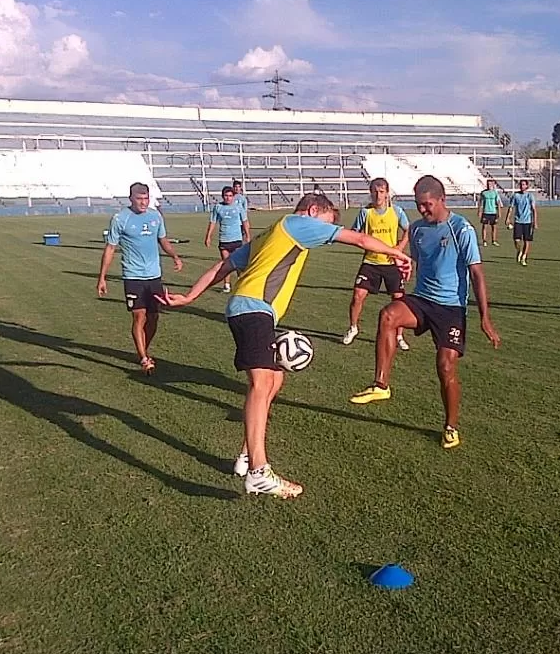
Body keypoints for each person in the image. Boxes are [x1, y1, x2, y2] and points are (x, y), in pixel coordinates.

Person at [159, 193, 412, 499]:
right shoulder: (297, 223)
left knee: (274, 379)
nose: (326, 231)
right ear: (313, 210)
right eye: (326, 223)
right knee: (262, 381)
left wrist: (190, 296)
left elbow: (223, 267)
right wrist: (398, 255)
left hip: (252, 309)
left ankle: (246, 456)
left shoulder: (271, 234)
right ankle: (258, 472)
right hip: (254, 308)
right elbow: (358, 239)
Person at [349, 175, 501, 450]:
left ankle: (451, 426)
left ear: (442, 200)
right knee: (388, 316)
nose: (422, 210)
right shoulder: (418, 230)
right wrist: (408, 268)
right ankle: (381, 384)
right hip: (422, 299)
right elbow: (419, 260)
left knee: (445, 367)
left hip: (451, 308)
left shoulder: (460, 229)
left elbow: (477, 274)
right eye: (419, 205)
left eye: (427, 204)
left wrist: (485, 319)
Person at [97, 182, 183, 374]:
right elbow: (110, 248)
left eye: (146, 198)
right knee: (139, 316)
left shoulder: (155, 216)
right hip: (132, 276)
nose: (143, 202)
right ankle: (144, 358)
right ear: (131, 199)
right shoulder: (120, 219)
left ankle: (144, 347)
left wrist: (174, 256)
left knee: (154, 318)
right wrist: (102, 277)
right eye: (139, 199)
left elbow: (163, 240)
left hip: (154, 276)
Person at [341, 178, 411, 350]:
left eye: (381, 191)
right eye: (375, 191)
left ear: (387, 193)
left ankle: (399, 335)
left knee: (399, 299)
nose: (378, 195)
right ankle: (353, 327)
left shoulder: (396, 211)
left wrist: (399, 248)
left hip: (391, 263)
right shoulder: (366, 213)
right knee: (358, 295)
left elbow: (409, 230)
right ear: (370, 193)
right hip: (371, 261)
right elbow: (354, 232)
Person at [205, 185, 251, 293]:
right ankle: (226, 285)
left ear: (233, 197)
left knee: (240, 264)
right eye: (226, 196)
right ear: (222, 196)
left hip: (236, 239)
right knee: (226, 264)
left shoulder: (238, 207)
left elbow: (245, 221)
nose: (228, 198)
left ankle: (242, 283)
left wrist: (248, 235)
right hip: (224, 240)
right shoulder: (218, 207)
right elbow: (213, 222)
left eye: (230, 196)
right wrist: (208, 237)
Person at [504, 179, 538, 265]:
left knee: (527, 241)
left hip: (528, 221)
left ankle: (524, 257)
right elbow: (511, 207)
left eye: (523, 185)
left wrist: (535, 221)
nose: (522, 186)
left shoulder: (530, 196)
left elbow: (534, 209)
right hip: (518, 220)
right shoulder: (515, 196)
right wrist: (507, 218)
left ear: (527, 186)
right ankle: (519, 251)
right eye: (521, 185)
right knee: (516, 240)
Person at [478, 179, 502, 246]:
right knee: (484, 227)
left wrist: (499, 212)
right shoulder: (483, 193)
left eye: (490, 184)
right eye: (488, 184)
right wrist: (479, 211)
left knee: (494, 227)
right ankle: (484, 241)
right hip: (486, 212)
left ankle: (494, 240)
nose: (489, 185)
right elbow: (480, 202)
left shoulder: (495, 193)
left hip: (493, 212)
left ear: (493, 185)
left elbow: (498, 203)